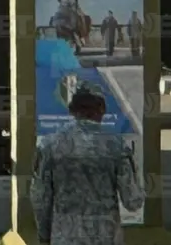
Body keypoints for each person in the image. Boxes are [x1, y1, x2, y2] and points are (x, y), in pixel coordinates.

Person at [31, 81, 144, 245]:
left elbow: (40, 199)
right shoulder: (117, 146)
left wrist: (45, 236)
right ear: (102, 110)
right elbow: (133, 200)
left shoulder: (49, 146)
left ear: (72, 111)